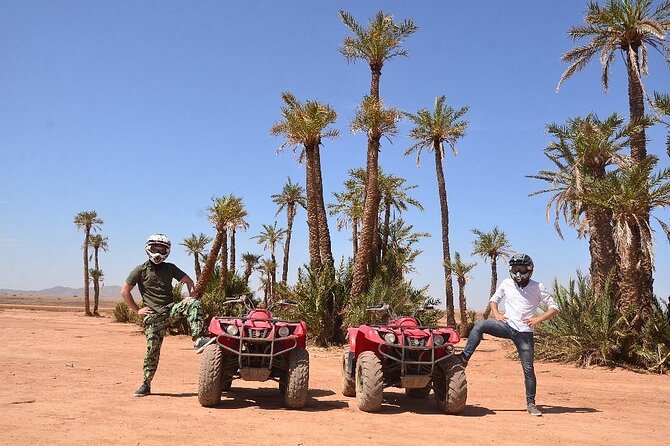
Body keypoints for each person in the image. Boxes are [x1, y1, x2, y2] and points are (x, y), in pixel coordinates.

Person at [458, 253, 559, 417]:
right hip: (507, 326)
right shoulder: (506, 283)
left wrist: (538, 319)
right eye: (515, 269)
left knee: (528, 369)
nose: (518, 273)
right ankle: (464, 358)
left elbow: (554, 307)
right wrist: (497, 314)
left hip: (525, 333)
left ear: (529, 269)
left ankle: (531, 404)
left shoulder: (538, 286)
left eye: (521, 269)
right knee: (480, 325)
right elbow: (494, 299)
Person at [121, 233, 211, 397]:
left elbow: (189, 281)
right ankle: (146, 385)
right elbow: (125, 291)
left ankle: (198, 339)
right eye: (156, 248)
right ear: (149, 248)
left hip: (170, 310)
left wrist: (190, 297)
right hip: (153, 316)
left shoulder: (170, 268)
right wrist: (137, 310)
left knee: (193, 304)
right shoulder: (140, 270)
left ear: (167, 251)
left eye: (162, 249)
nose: (159, 251)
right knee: (152, 352)